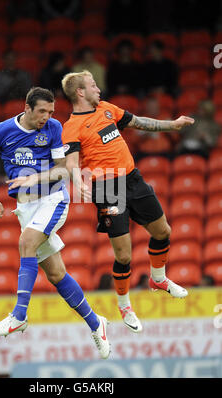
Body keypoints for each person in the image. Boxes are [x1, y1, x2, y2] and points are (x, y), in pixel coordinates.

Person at [0, 87, 110, 359]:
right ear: (27, 108)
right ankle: (97, 324)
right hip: (26, 208)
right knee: (56, 274)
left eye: (51, 112)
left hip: (53, 199)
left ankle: (19, 315)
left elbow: (63, 169)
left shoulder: (52, 129)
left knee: (26, 242)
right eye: (42, 111)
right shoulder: (0, 131)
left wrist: (33, 179)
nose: (47, 117)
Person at [61, 70, 194, 333]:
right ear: (80, 92)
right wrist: (79, 181)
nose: (98, 89)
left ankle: (158, 279)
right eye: (92, 85)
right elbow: (72, 162)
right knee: (124, 254)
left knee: (163, 231)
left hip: (133, 179)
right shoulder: (71, 127)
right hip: (108, 189)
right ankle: (124, 305)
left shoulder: (107, 109)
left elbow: (138, 122)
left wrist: (172, 124)